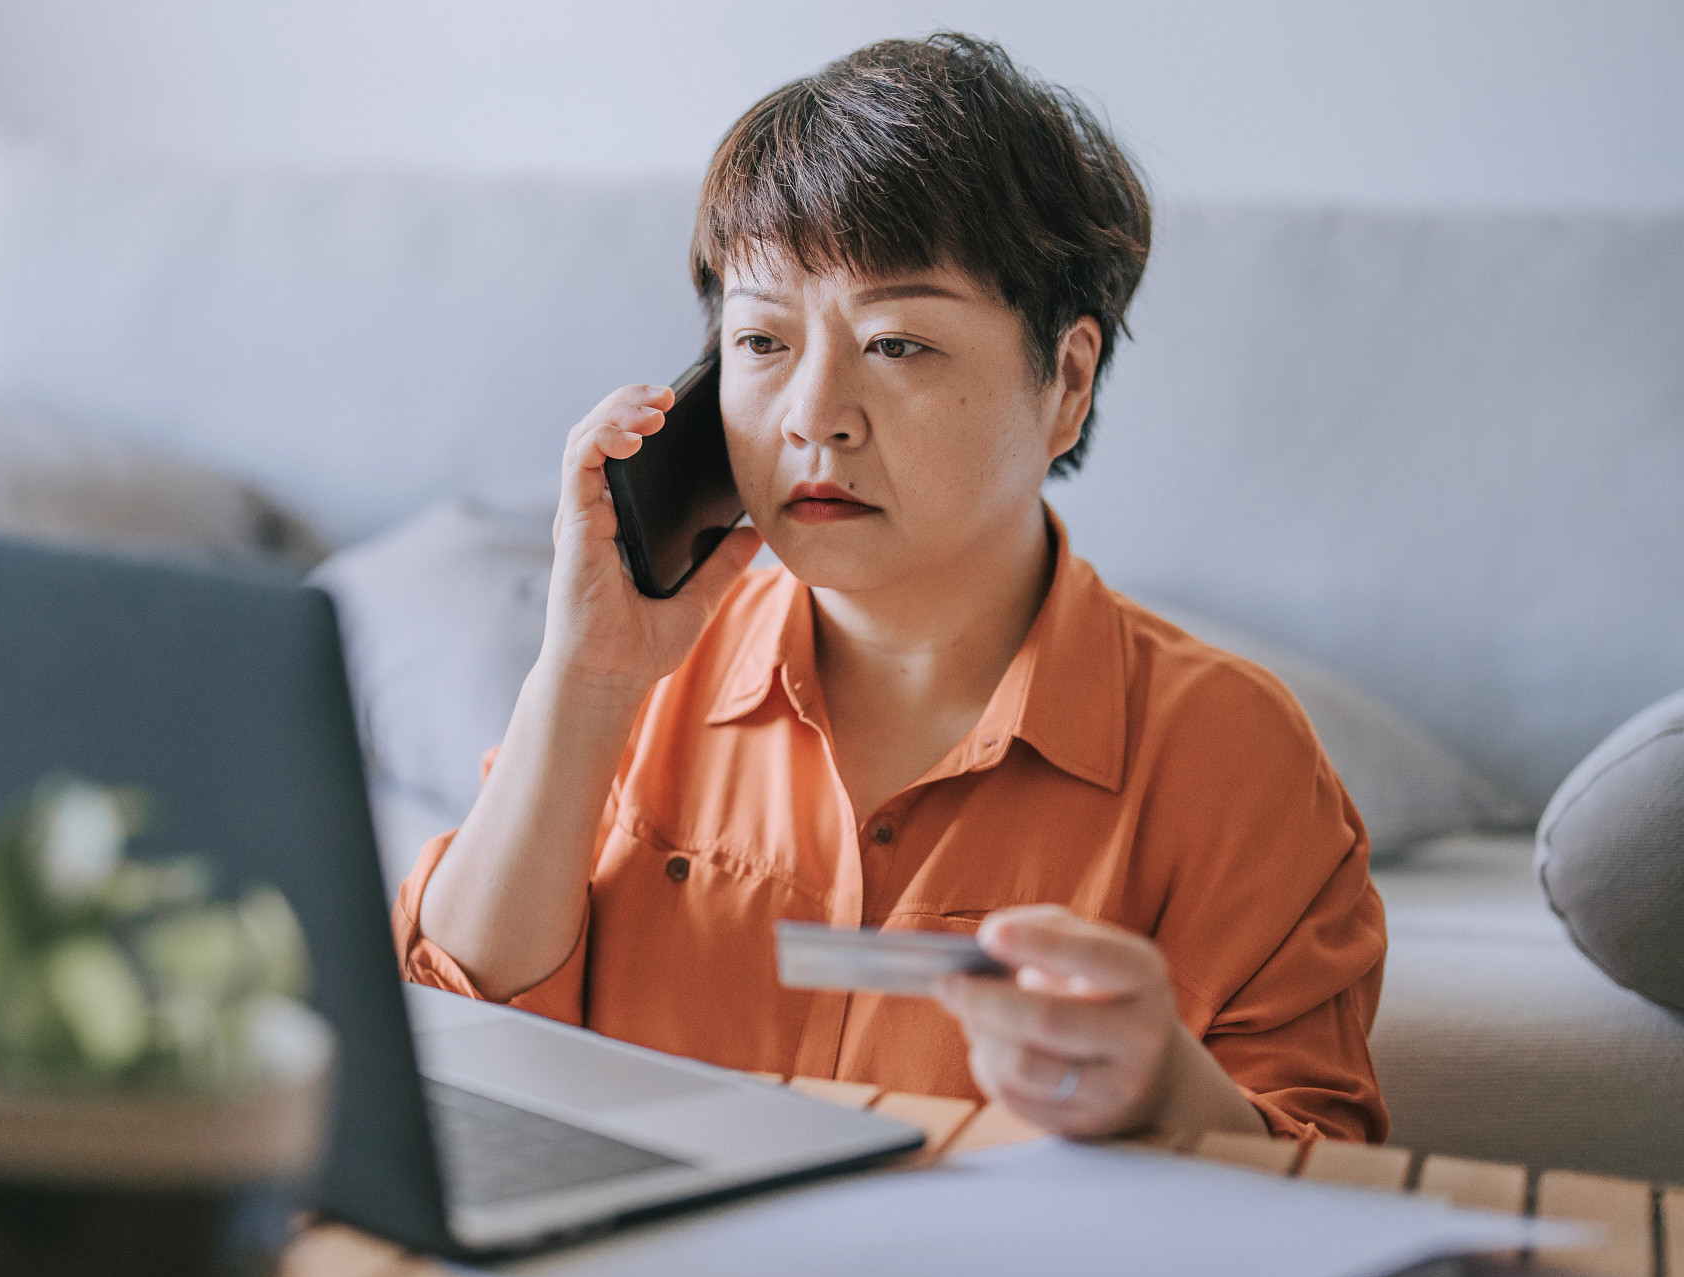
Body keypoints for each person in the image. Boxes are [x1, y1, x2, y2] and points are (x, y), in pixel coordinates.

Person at [394, 33, 1387, 1144]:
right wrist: (580, 685)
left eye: (897, 343)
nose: (813, 415)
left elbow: (1323, 1165)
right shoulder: (630, 690)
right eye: (761, 340)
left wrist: (1163, 1093)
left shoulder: (1230, 755)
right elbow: (444, 1047)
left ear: (1064, 381)